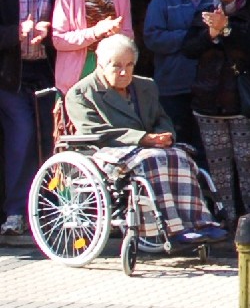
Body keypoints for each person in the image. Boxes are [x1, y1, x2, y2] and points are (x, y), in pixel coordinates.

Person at [63, 35, 228, 246]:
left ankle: (200, 221)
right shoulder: (81, 93)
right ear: (101, 65)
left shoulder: (145, 86)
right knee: (152, 159)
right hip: (109, 149)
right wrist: (143, 138)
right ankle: (173, 228)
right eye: (117, 66)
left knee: (179, 155)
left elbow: (161, 118)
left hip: (148, 146)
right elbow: (93, 130)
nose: (124, 72)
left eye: (129, 65)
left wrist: (163, 136)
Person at [184, 0, 250, 227]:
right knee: (218, 170)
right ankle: (226, 221)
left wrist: (227, 30)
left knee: (249, 168)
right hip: (208, 102)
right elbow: (188, 49)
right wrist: (210, 33)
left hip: (241, 103)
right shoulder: (205, 12)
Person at [1, 0, 68, 236]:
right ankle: (15, 212)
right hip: (9, 73)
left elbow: (69, 17)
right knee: (23, 134)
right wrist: (16, 32)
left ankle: (46, 210)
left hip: (46, 68)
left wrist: (49, 30)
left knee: (51, 138)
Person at [142, 0, 214, 154]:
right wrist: (190, 38)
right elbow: (152, 38)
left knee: (208, 149)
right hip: (173, 87)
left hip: (209, 87)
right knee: (178, 147)